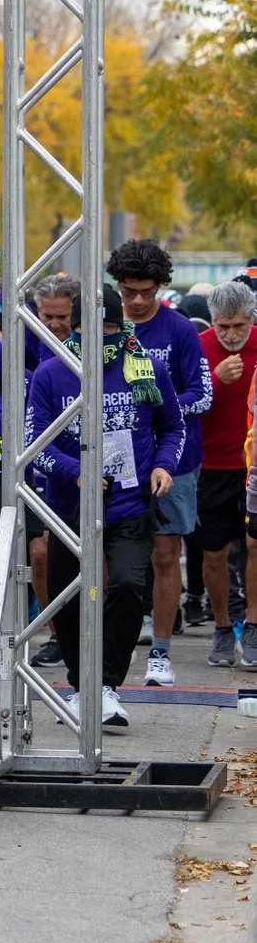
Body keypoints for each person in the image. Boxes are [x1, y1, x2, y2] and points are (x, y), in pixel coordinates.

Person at [27, 282, 183, 728]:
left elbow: (173, 426)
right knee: (68, 597)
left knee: (129, 587)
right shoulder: (51, 374)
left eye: (110, 329)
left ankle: (107, 684)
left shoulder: (146, 368)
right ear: (75, 329)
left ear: (121, 326)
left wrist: (164, 465)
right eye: (88, 330)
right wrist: (76, 470)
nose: (101, 339)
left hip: (131, 505)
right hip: (69, 509)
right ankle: (81, 687)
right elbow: (34, 444)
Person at [108, 239, 214, 686]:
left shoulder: (180, 331)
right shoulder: (106, 327)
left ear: (160, 287)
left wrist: (157, 407)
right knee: (112, 556)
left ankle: (161, 653)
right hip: (119, 459)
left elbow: (202, 395)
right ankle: (108, 649)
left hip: (176, 458)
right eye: (128, 291)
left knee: (166, 553)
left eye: (146, 292)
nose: (136, 301)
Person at [195, 282, 253, 669]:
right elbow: (182, 403)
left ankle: (253, 625)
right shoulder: (199, 346)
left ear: (251, 319)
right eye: (223, 326)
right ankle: (221, 627)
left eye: (238, 326)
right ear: (212, 321)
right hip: (211, 466)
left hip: (252, 466)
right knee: (214, 552)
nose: (231, 335)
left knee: (255, 546)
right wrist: (215, 378)